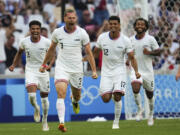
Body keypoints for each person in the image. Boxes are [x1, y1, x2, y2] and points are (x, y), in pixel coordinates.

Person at [39, 8, 98, 132]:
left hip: (77, 68)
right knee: (61, 94)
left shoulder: (82, 33)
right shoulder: (57, 32)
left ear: (76, 19)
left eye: (73, 18)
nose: (71, 20)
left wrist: (93, 70)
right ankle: (61, 123)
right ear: (65, 18)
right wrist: (44, 64)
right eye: (69, 18)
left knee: (77, 95)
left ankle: (75, 100)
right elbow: (51, 49)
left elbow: (89, 53)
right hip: (62, 67)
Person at [92, 16, 141, 129]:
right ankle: (113, 93)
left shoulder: (125, 40)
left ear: (119, 26)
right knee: (106, 99)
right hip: (106, 73)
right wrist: (93, 69)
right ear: (108, 25)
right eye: (111, 24)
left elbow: (132, 58)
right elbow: (94, 53)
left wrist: (136, 71)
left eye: (115, 24)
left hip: (120, 71)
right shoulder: (102, 38)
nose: (113, 26)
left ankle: (116, 122)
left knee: (118, 96)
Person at [9, 20, 51, 131]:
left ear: (40, 30)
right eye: (33, 29)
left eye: (37, 29)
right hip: (31, 70)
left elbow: (52, 54)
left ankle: (45, 121)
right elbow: (19, 53)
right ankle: (36, 108)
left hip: (43, 72)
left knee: (44, 99)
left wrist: (49, 65)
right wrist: (13, 65)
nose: (35, 31)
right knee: (32, 97)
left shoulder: (47, 42)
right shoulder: (24, 42)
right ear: (30, 30)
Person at [127, 18, 161, 126]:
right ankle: (140, 110)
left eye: (142, 24)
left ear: (146, 27)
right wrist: (126, 60)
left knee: (149, 94)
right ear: (135, 27)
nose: (140, 26)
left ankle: (150, 115)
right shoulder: (130, 40)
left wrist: (149, 52)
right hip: (135, 70)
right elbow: (127, 53)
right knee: (135, 88)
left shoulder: (150, 39)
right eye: (138, 24)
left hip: (148, 72)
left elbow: (158, 52)